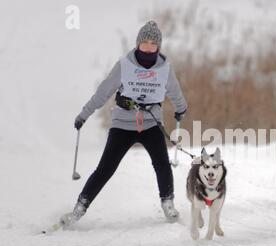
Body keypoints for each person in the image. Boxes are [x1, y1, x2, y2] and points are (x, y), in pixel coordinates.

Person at [60, 20, 188, 228]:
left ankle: (168, 202)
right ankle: (79, 208)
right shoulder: (124, 65)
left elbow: (175, 92)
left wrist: (181, 109)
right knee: (106, 168)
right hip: (123, 123)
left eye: (152, 44)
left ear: (158, 47)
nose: (148, 48)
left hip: (151, 122)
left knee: (162, 164)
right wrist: (84, 115)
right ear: (138, 44)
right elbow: (103, 92)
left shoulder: (165, 68)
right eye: (144, 43)